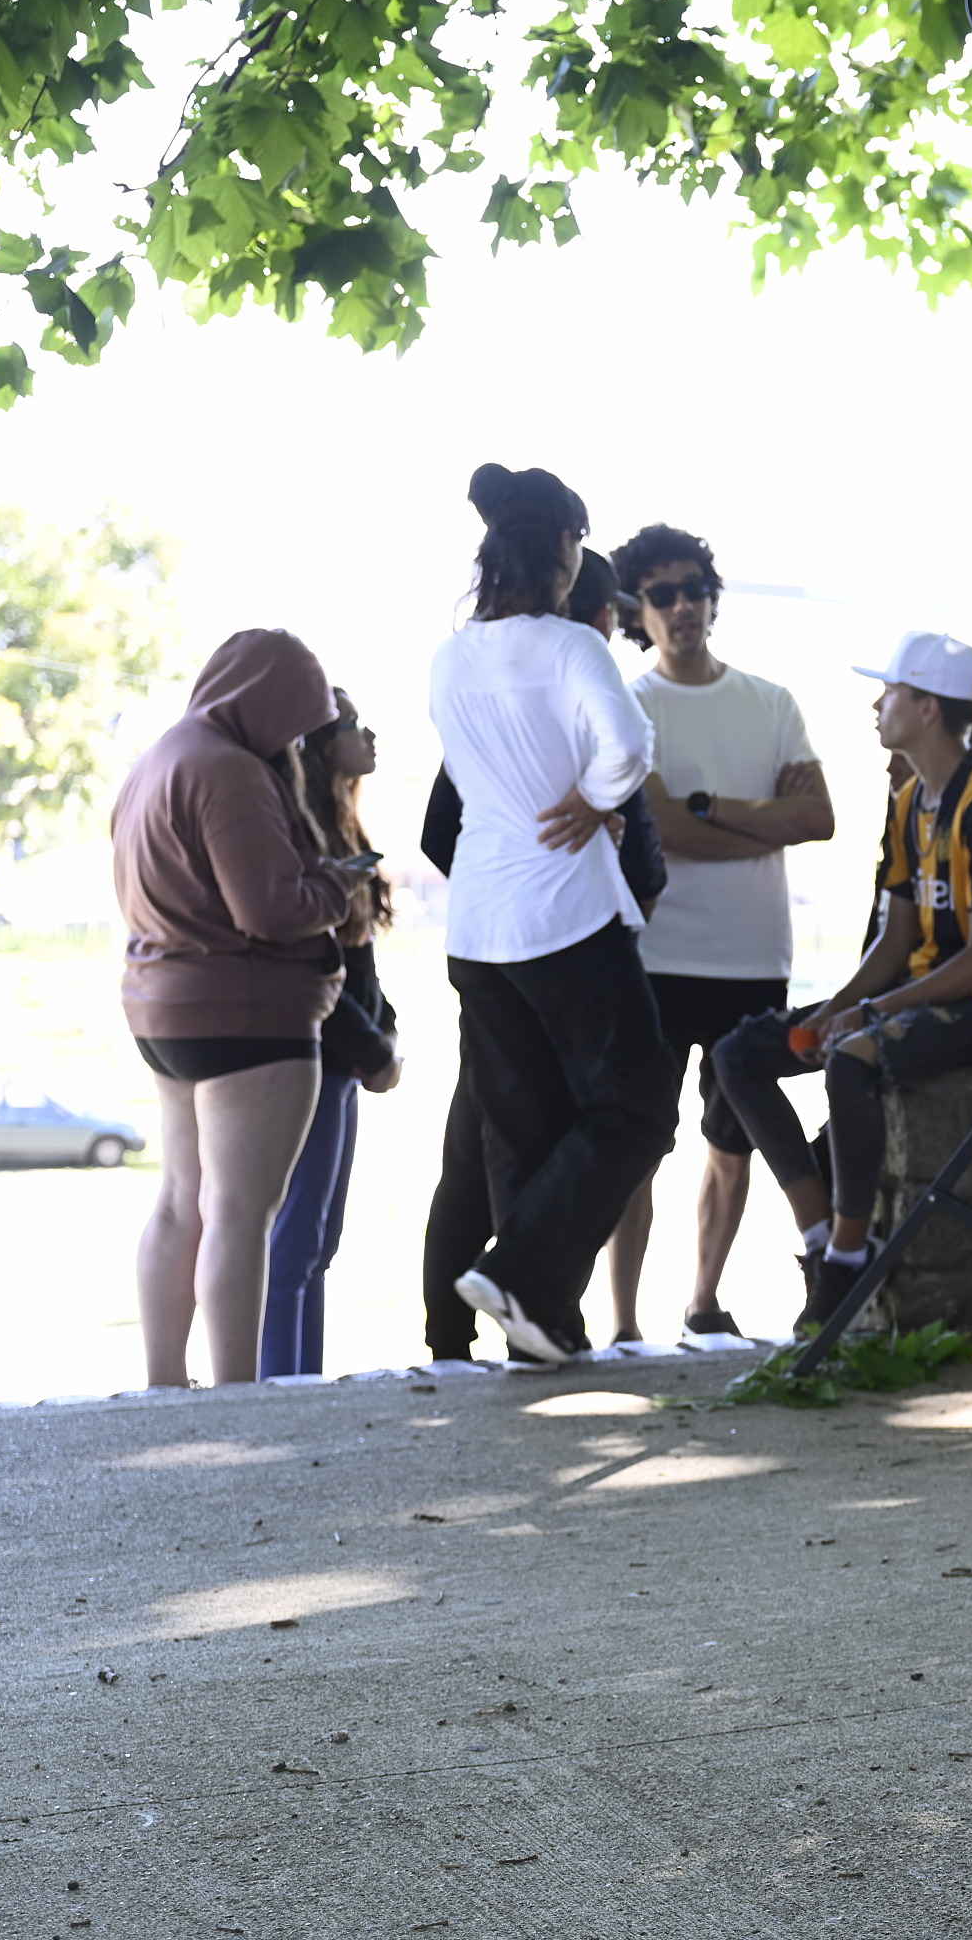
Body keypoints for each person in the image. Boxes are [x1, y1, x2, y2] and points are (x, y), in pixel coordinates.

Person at [712, 632, 972, 1324]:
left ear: (927, 709)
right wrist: (839, 1006)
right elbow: (897, 938)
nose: (877, 704)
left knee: (851, 1057)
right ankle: (819, 1234)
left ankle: (845, 1257)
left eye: (890, 692)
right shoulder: (910, 803)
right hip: (919, 992)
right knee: (738, 1055)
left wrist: (870, 1015)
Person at [431, 463, 680, 1367]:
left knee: (521, 1128)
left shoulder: (450, 655)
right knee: (640, 1106)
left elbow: (465, 782)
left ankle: (544, 1327)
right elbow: (629, 745)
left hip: (477, 922)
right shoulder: (572, 646)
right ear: (565, 551)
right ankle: (526, 1276)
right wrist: (597, 795)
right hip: (564, 911)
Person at [601, 523, 832, 1352]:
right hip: (658, 957)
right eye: (661, 594)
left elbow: (818, 818)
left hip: (752, 956)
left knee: (730, 1141)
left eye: (694, 587)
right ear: (638, 610)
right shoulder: (629, 705)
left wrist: (702, 810)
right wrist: (758, 824)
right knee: (637, 1142)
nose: (682, 605)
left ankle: (703, 1304)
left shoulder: (770, 702)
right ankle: (624, 1323)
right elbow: (656, 831)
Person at [111, 629, 360, 1389]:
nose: (294, 739)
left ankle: (163, 1382)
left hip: (162, 1008)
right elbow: (268, 910)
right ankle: (234, 1395)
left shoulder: (156, 761)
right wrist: (335, 888)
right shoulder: (231, 771)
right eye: (293, 717)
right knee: (241, 1213)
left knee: (181, 1202)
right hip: (248, 1015)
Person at [256, 688, 403, 1379]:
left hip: (347, 1062)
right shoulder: (302, 831)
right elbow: (318, 963)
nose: (369, 735)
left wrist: (388, 1031)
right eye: (351, 725)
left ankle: (303, 1383)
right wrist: (376, 1050)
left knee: (320, 1242)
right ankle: (279, 1389)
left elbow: (362, 964)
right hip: (316, 1055)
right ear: (317, 744)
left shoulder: (346, 825)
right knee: (294, 1243)